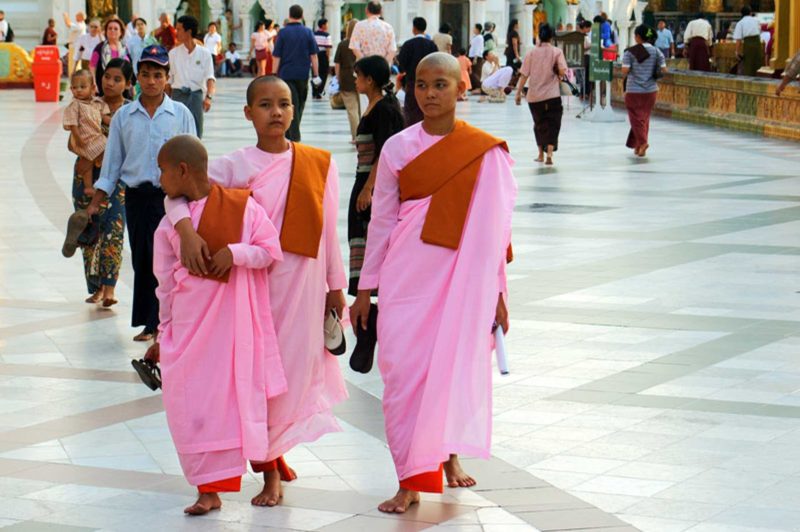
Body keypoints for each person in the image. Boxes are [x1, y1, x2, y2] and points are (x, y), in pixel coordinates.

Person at [164, 75, 348, 508]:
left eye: (284, 103)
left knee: (290, 378)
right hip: (252, 293)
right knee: (257, 377)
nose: (277, 113)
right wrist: (187, 232)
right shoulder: (233, 166)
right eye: (265, 105)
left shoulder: (320, 163)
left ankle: (273, 453)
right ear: (248, 113)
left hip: (302, 288)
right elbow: (177, 197)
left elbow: (328, 232)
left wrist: (335, 287)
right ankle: (268, 472)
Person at [349, 52, 517, 514]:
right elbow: (381, 221)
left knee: (450, 367)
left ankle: (439, 460)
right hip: (406, 277)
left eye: (440, 84)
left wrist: (498, 293)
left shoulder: (486, 152)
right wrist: (365, 289)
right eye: (421, 85)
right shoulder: (398, 147)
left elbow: (494, 233)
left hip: (460, 283)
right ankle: (410, 473)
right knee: (401, 376)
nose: (429, 94)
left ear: (462, 88)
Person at [148, 135, 285, 517]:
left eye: (162, 170)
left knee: (244, 403)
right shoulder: (171, 224)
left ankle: (269, 475)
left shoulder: (244, 208)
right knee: (195, 408)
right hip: (190, 331)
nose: (159, 179)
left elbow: (271, 251)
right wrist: (163, 332)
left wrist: (235, 254)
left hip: (235, 328)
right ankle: (208, 491)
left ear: (182, 170)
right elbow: (164, 283)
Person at [86, 45, 196, 342]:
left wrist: (199, 199)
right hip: (135, 198)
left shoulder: (181, 114)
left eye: (157, 75)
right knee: (144, 259)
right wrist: (95, 203)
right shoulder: (125, 117)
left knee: (171, 261)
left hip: (171, 200)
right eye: (145, 74)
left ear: (166, 78)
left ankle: (171, 323)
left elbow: (196, 159)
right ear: (137, 78)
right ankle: (152, 324)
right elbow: (111, 166)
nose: (151, 81)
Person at [70, 58, 132, 307]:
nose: (110, 83)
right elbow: (72, 141)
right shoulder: (87, 105)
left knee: (113, 233)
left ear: (128, 84)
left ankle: (109, 289)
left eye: (117, 79)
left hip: (117, 180)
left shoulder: (131, 111)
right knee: (89, 231)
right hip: (85, 175)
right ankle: (95, 288)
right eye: (107, 77)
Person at [348, 56, 404, 294]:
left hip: (372, 184)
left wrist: (369, 188)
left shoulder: (384, 109)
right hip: (362, 179)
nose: (355, 81)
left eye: (358, 76)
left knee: (373, 236)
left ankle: (374, 289)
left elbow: (384, 151)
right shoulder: (375, 105)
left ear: (369, 80)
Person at [514, 24, 567, 166]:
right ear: (551, 37)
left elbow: (524, 75)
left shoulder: (531, 53)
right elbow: (562, 71)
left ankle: (540, 154)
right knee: (553, 124)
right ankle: (549, 154)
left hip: (534, 96)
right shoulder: (557, 52)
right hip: (552, 95)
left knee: (539, 124)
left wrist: (518, 93)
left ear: (539, 36)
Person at [273, 5, 322, 142]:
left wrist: (273, 73)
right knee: (299, 104)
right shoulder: (307, 32)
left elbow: (277, 56)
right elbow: (314, 56)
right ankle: (294, 136)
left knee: (291, 104)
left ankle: (291, 133)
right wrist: (316, 74)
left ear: (289, 15)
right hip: (302, 74)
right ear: (302, 16)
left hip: (286, 75)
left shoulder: (282, 33)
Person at [622, 24, 667, 158]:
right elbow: (664, 70)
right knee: (644, 118)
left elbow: (624, 71)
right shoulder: (657, 51)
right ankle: (638, 146)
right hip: (651, 90)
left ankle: (642, 142)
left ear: (637, 37)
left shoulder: (630, 52)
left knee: (635, 119)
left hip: (634, 90)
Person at [63, 70, 109, 200]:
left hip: (95, 137)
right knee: (102, 148)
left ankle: (93, 163)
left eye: (83, 87)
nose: (78, 90)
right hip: (83, 139)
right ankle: (88, 186)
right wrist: (78, 139)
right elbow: (73, 124)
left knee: (105, 147)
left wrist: (113, 121)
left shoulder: (96, 103)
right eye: (75, 87)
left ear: (93, 88)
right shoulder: (75, 105)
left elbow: (103, 116)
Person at [168, 15, 216, 139]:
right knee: (177, 132)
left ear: (188, 32)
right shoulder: (173, 54)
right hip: (178, 96)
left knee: (196, 132)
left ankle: (196, 158)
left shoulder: (204, 54)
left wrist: (209, 97)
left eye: (178, 29)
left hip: (196, 96)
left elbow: (210, 78)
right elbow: (169, 82)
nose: (176, 32)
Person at [398, 17, 439, 125]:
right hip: (429, 83)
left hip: (412, 82)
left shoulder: (408, 44)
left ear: (414, 29)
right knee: (427, 108)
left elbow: (401, 64)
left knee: (411, 110)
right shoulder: (431, 45)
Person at [334, 19, 361, 140]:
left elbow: (337, 64)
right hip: (362, 77)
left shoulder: (343, 44)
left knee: (352, 110)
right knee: (362, 109)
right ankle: (363, 135)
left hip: (346, 78)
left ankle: (356, 136)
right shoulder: (362, 44)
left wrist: (338, 78)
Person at [90, 18, 131, 97]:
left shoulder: (125, 49)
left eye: (116, 29)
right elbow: (92, 66)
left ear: (121, 32)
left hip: (122, 90)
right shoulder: (99, 47)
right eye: (110, 28)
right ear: (106, 31)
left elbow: (129, 68)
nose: (112, 30)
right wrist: (93, 83)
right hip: (104, 88)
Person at [735, 6, 763, 76]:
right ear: (750, 13)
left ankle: (749, 79)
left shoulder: (740, 23)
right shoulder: (756, 20)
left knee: (748, 64)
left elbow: (738, 39)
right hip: (757, 43)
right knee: (757, 62)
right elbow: (759, 31)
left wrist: (737, 51)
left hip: (748, 44)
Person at [313, 19, 332, 99]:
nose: (328, 26)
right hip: (323, 55)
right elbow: (328, 48)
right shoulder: (327, 35)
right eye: (327, 24)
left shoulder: (313, 34)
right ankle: (319, 91)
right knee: (323, 74)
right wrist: (328, 58)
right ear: (323, 25)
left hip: (315, 55)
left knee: (315, 73)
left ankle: (314, 91)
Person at [63, 11, 86, 76]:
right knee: (75, 64)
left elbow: (68, 24)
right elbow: (70, 23)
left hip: (75, 46)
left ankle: (74, 79)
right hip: (76, 46)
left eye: (77, 16)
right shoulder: (81, 24)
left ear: (80, 17)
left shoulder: (79, 25)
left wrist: (65, 16)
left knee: (73, 64)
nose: (75, 17)